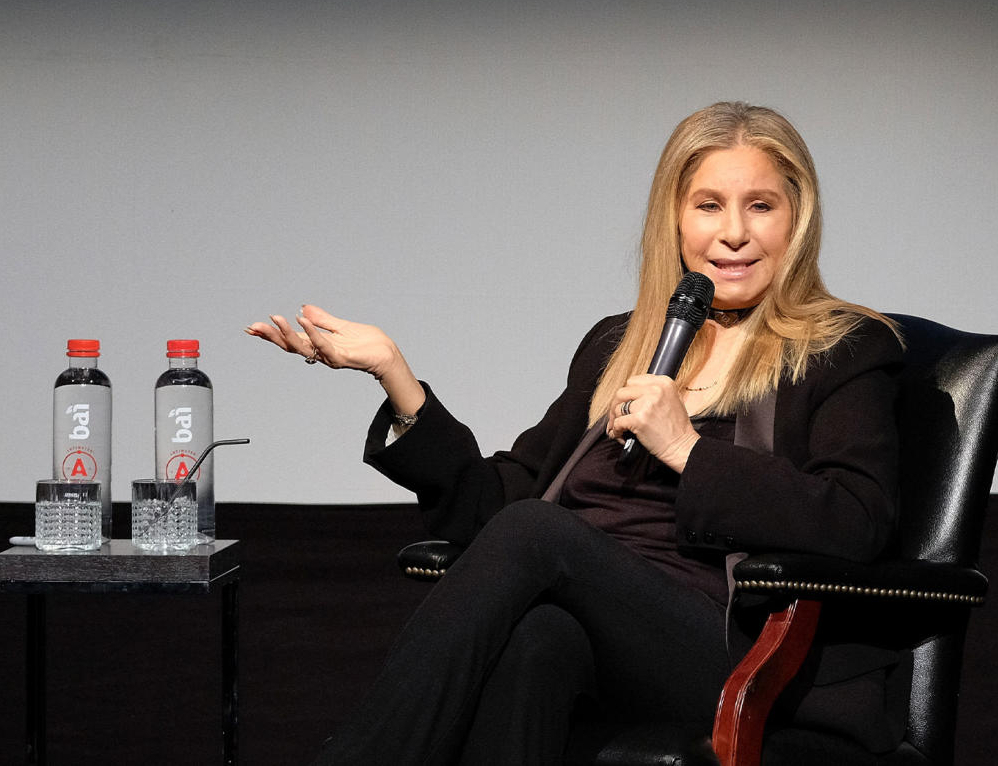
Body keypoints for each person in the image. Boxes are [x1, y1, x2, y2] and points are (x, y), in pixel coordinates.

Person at [246, 101, 906, 765]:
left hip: (731, 645)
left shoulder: (843, 347)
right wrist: (396, 374)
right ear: (674, 221)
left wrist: (686, 449)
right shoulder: (619, 346)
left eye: (760, 206)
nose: (733, 233)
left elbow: (857, 518)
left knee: (539, 532)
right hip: (602, 638)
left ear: (797, 219)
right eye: (708, 205)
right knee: (537, 639)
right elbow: (496, 505)